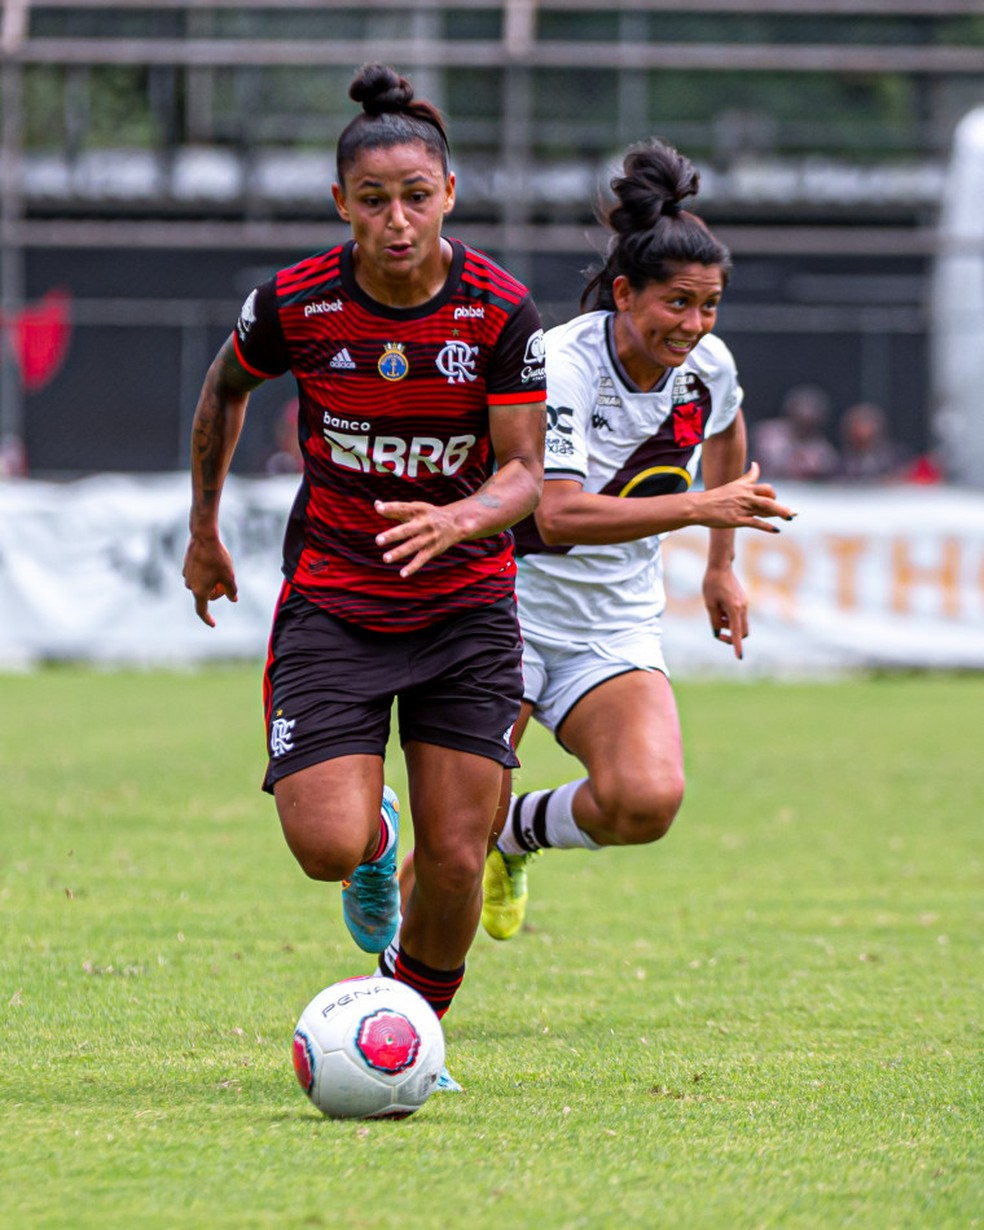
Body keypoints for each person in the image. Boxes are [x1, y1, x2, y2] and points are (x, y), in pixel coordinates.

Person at [181, 64, 547, 1088]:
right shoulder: (293, 305)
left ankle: (411, 1034)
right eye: (374, 201)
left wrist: (463, 517)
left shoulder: (498, 312)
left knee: (464, 855)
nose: (398, 221)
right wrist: (205, 531)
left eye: (416, 198)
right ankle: (374, 833)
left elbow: (525, 472)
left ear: (449, 196)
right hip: (336, 605)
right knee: (327, 846)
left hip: (467, 607)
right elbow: (223, 391)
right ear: (340, 204)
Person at [474, 136, 795, 941]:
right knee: (456, 829)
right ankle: (392, 1006)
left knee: (646, 801)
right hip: (503, 609)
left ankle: (516, 837)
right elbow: (557, 515)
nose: (694, 324)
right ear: (624, 292)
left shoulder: (708, 364)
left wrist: (722, 568)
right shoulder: (561, 364)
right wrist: (699, 511)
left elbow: (726, 432)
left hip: (611, 624)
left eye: (709, 304)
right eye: (677, 303)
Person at [751, 383, 840, 482]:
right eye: (800, 421)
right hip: (767, 486)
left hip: (802, 495)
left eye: (809, 425)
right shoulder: (768, 432)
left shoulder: (823, 449)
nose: (804, 425)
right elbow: (764, 462)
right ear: (791, 411)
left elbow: (829, 471)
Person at [837, 401, 908, 482]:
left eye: (867, 424)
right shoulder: (844, 462)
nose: (863, 432)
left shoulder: (894, 456)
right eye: (858, 426)